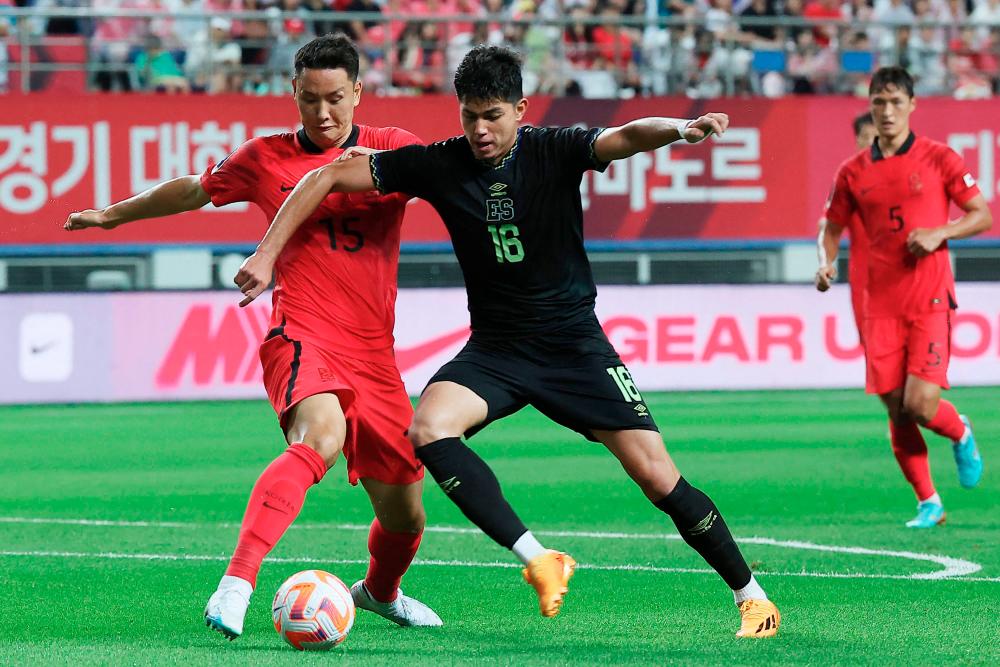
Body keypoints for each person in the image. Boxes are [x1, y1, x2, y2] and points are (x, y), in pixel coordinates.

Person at [236, 45, 782, 638]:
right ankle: (540, 558)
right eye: (469, 115)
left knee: (657, 477)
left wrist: (680, 128)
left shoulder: (554, 149)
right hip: (497, 350)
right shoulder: (443, 162)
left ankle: (752, 597)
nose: (479, 130)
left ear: (520, 110)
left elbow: (625, 137)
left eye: (492, 115)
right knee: (427, 430)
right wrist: (268, 253)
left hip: (575, 348)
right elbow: (327, 174)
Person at [63, 34, 442, 639]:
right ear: (293, 92)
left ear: (359, 94)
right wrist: (112, 214)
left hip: (376, 355)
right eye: (310, 99)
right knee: (319, 437)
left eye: (336, 100)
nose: (323, 114)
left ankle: (379, 592)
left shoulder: (394, 149)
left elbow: (460, 179)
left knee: (405, 514)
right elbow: (193, 189)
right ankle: (235, 585)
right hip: (303, 335)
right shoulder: (264, 157)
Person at [816, 66, 990, 528]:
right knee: (895, 406)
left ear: (912, 105)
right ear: (871, 107)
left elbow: (981, 214)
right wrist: (826, 261)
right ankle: (928, 500)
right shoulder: (852, 172)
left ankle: (960, 430)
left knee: (921, 405)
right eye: (879, 103)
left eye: (896, 102)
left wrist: (941, 232)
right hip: (879, 307)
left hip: (929, 299)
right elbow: (830, 226)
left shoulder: (940, 158)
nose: (887, 111)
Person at [816, 111, 878, 343]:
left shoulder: (910, 173)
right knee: (875, 354)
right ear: (857, 141)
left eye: (878, 136)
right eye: (867, 137)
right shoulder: (849, 180)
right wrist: (825, 264)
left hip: (906, 279)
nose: (873, 143)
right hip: (866, 281)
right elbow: (828, 225)